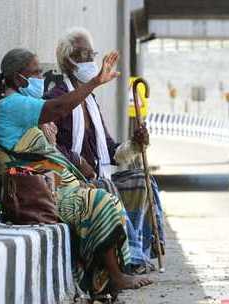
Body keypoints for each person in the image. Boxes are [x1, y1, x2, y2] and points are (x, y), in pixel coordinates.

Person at [0, 48, 152, 296]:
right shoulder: (13, 105)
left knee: (108, 192)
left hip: (59, 185)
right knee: (99, 201)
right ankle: (115, 276)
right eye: (34, 73)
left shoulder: (43, 106)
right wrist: (95, 82)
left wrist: (134, 144)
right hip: (42, 195)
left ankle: (117, 271)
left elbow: (111, 149)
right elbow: (57, 109)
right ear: (17, 78)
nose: (40, 77)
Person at [46, 27, 165, 273]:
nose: (91, 61)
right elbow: (50, 143)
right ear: (68, 61)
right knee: (105, 187)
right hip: (74, 183)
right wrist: (77, 160)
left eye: (92, 54)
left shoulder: (91, 101)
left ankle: (142, 251)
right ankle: (130, 259)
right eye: (83, 55)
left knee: (142, 182)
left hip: (99, 178)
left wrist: (135, 143)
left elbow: (111, 151)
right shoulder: (58, 96)